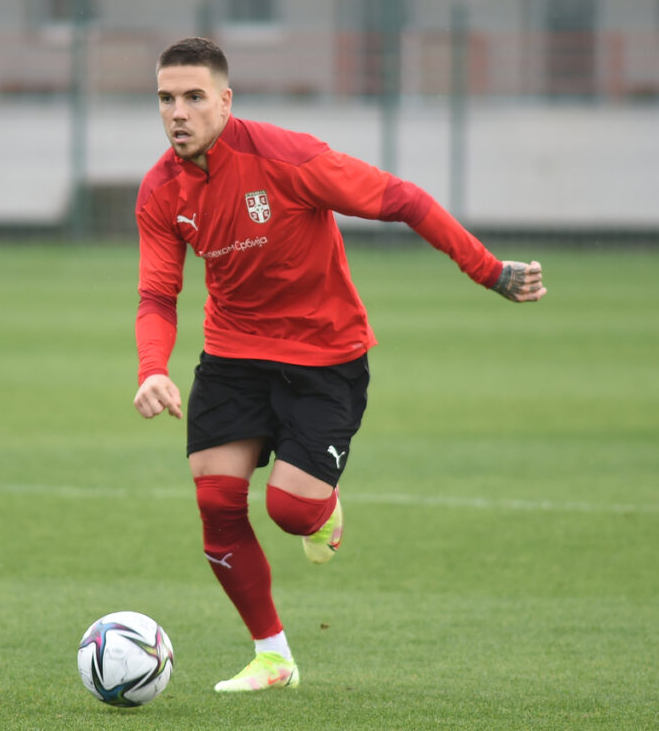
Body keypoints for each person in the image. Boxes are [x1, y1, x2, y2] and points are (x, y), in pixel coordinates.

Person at [132, 37, 547, 693]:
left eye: (192, 97)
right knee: (215, 498)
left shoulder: (289, 157)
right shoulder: (160, 190)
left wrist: (490, 271)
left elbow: (404, 200)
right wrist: (152, 367)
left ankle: (321, 510)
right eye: (165, 98)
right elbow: (157, 293)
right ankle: (274, 657)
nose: (177, 112)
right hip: (234, 354)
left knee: (290, 511)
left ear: (225, 100)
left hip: (324, 355)